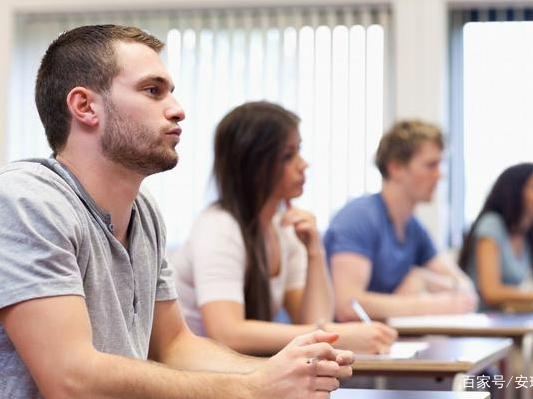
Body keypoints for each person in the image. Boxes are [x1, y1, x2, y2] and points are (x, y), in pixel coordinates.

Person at [0, 25, 353, 399]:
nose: (177, 110)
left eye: (171, 92)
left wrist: (281, 372)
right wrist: (249, 388)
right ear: (85, 106)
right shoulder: (26, 200)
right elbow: (70, 379)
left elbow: (174, 346)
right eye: (153, 91)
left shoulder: (144, 211)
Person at [173, 101, 397, 356]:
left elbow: (313, 320)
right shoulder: (219, 227)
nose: (303, 165)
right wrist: (339, 336)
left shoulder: (283, 228)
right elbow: (226, 333)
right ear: (255, 165)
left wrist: (315, 252)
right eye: (288, 155)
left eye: (298, 151)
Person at [324, 120, 478, 321]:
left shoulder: (414, 228)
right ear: (395, 167)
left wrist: (423, 278)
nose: (439, 175)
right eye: (431, 165)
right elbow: (347, 306)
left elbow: (465, 288)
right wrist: (431, 303)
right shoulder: (358, 218)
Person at [458, 162, 533, 310]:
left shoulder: (529, 233)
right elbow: (491, 292)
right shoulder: (491, 225)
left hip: (511, 320)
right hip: (483, 323)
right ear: (516, 191)